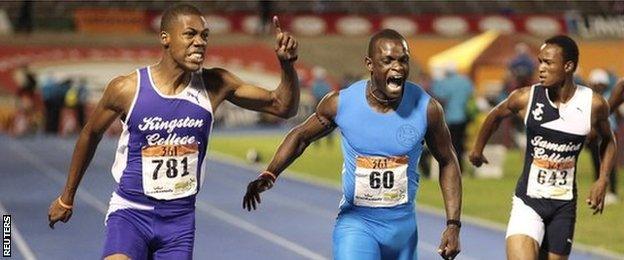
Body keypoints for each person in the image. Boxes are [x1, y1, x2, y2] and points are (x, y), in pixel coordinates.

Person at [47, 4, 299, 259]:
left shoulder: (216, 85)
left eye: (205, 36)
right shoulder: (127, 89)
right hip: (130, 213)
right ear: (165, 38)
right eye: (190, 34)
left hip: (179, 222)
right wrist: (67, 197)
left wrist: (287, 65)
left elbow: (282, 106)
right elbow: (90, 134)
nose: (200, 42)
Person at [243, 29, 462, 260]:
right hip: (357, 225)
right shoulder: (341, 103)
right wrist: (270, 173)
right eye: (387, 60)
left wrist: (453, 224)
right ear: (370, 64)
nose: (397, 67)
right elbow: (301, 136)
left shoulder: (427, 109)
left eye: (403, 60)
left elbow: (448, 160)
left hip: (403, 231)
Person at [469, 35, 617, 260]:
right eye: (540, 61)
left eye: (548, 63)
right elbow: (496, 115)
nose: (541, 68)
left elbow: (609, 140)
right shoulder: (526, 98)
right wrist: (477, 150)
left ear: (568, 66)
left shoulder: (593, 104)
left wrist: (603, 178)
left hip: (563, 207)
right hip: (528, 202)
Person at [431, 63, 474, 171]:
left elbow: (438, 96)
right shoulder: (465, 81)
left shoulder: (445, 83)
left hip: (450, 118)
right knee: (460, 143)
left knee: (450, 144)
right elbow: (471, 94)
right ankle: (461, 167)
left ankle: (453, 167)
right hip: (464, 117)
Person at [587, 69, 618, 204]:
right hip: (594, 135)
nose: (599, 86)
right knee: (596, 163)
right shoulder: (590, 98)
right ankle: (597, 191)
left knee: (610, 164)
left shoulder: (610, 97)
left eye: (601, 84)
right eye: (596, 83)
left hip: (609, 134)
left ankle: (612, 191)